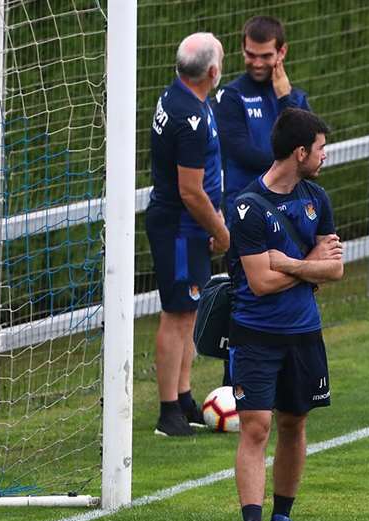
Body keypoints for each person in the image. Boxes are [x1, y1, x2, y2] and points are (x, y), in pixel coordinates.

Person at [227, 108, 343, 521]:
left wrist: (294, 263)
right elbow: (260, 282)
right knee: (256, 426)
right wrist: (310, 265)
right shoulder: (247, 207)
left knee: (294, 423)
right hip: (256, 334)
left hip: (304, 334)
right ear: (300, 152)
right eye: (320, 149)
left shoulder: (318, 199)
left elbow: (335, 269)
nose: (324, 156)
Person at [145, 32, 230, 436]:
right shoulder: (189, 118)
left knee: (188, 311)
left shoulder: (182, 95)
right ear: (212, 72)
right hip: (181, 230)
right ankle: (168, 412)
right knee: (177, 314)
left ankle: (182, 398)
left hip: (188, 226)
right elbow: (191, 191)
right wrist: (220, 229)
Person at [215, 15, 310, 209]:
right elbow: (245, 155)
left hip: (293, 209)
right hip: (246, 211)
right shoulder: (230, 97)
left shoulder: (295, 99)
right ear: (243, 49)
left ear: (282, 51)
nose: (257, 63)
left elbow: (310, 154)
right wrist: (292, 162)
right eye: (251, 55)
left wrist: (285, 101)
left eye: (266, 56)